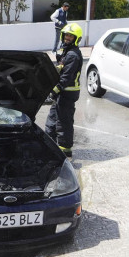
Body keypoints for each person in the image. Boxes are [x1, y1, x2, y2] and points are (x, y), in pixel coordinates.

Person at [44, 23, 83, 158]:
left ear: (76, 38)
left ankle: (65, 152)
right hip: (62, 93)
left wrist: (53, 91)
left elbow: (66, 78)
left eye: (70, 36)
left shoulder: (73, 55)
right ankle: (49, 147)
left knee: (63, 123)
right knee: (52, 121)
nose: (67, 38)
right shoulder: (66, 52)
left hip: (67, 93)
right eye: (66, 35)